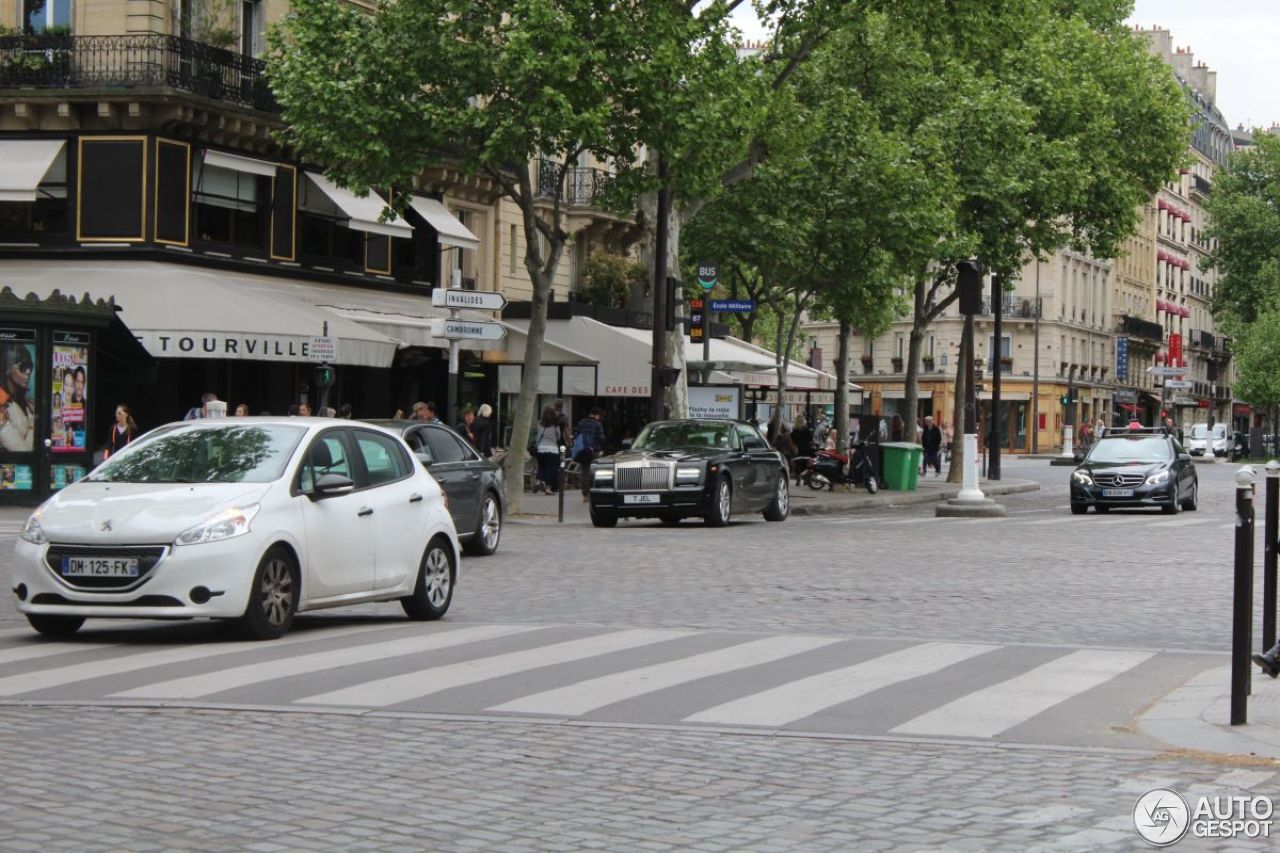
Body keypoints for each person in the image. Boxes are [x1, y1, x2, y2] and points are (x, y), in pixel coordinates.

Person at [0, 344, 35, 452]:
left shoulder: (27, 402)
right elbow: (23, 450)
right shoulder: (2, 404)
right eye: (23, 367)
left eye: (30, 366)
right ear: (8, 369)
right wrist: (34, 425)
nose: (28, 371)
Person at [572, 407, 605, 501]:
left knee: (585, 471)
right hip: (593, 450)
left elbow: (575, 435)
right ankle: (594, 492)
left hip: (582, 450)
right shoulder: (597, 424)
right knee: (595, 471)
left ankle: (585, 494)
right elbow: (601, 438)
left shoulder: (581, 422)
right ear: (597, 415)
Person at [533, 405, 563, 493]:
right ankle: (548, 488)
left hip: (541, 448)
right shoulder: (555, 424)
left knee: (542, 467)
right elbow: (559, 436)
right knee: (551, 469)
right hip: (552, 449)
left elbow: (537, 435)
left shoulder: (539, 423)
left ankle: (539, 480)